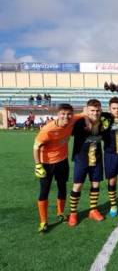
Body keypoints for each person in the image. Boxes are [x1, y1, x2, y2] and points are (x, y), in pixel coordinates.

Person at [33, 104, 83, 232]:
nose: (66, 116)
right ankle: (43, 221)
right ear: (58, 114)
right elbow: (36, 147)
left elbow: (85, 113)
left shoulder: (72, 120)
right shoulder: (48, 129)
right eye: (63, 114)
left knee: (62, 187)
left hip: (62, 161)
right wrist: (38, 165)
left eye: (69, 114)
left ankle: (60, 213)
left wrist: (88, 119)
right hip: (46, 163)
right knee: (45, 190)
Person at [68, 99, 106, 227]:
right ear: (87, 110)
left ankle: (93, 210)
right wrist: (83, 115)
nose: (95, 113)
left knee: (95, 185)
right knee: (77, 186)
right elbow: (68, 119)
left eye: (97, 110)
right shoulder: (79, 122)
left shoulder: (103, 121)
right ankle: (73, 213)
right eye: (92, 111)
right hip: (81, 159)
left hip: (97, 158)